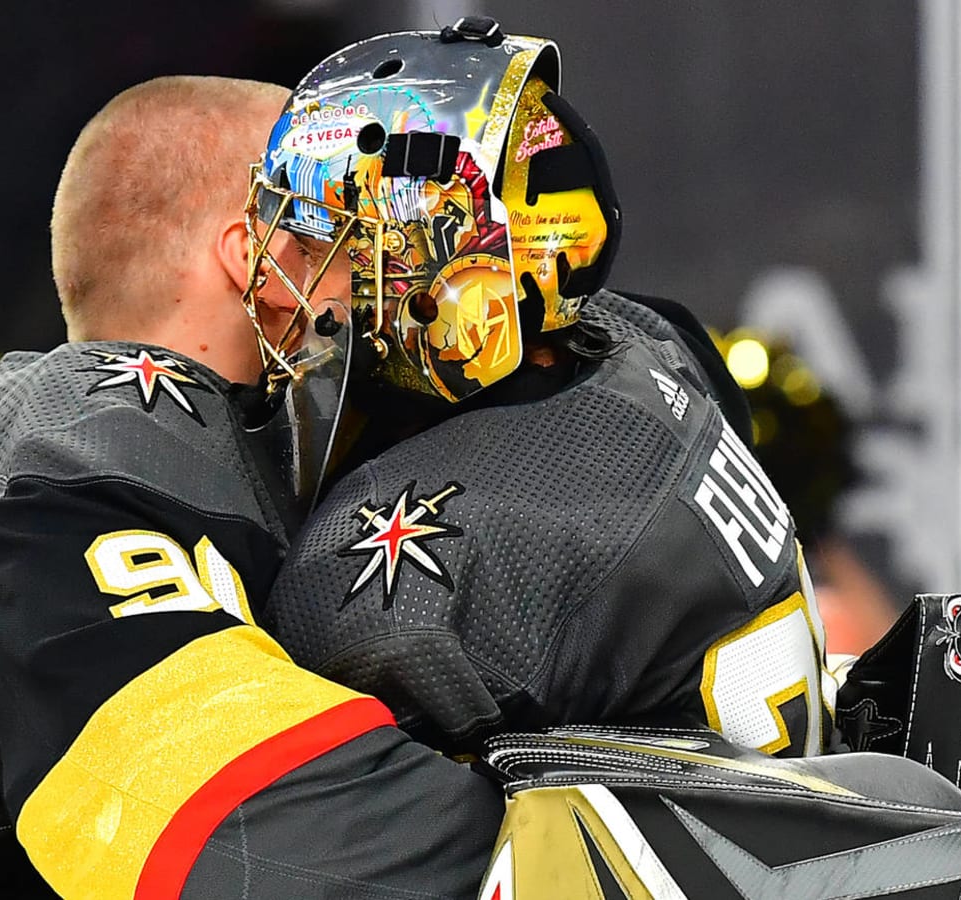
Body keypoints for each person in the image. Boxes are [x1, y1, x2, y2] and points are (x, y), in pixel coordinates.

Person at [0, 75, 503, 900]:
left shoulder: (151, 433)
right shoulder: (80, 456)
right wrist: (579, 831)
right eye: (332, 229)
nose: (368, 267)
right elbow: (245, 828)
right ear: (257, 254)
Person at [251, 19, 831, 761]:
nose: (274, 282)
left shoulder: (392, 581)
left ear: (433, 264)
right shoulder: (656, 337)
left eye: (317, 244)